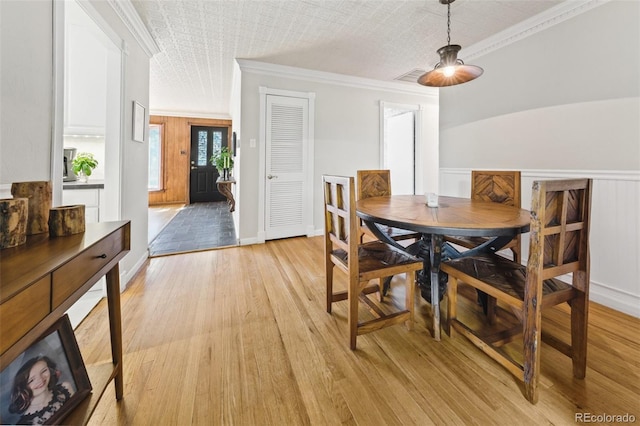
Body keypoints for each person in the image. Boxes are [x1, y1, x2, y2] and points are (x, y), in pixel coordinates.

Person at [8, 355, 75, 425]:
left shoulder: (65, 387)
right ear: (22, 388)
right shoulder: (24, 423)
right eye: (31, 380)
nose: (40, 379)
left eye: (44, 371)